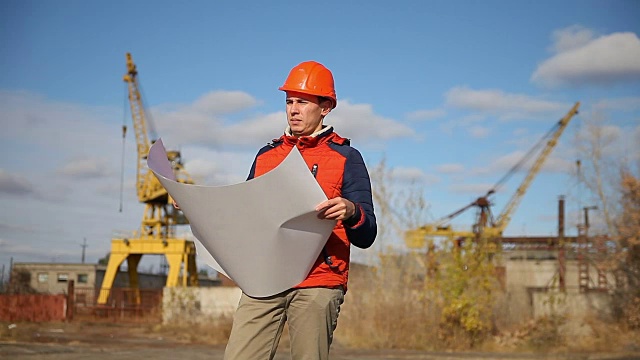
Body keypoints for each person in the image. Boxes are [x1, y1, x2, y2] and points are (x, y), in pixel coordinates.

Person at [223, 61, 377, 360]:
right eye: (289, 101)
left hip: (319, 281)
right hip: (265, 278)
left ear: (325, 107)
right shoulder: (266, 155)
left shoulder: (347, 157)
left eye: (303, 102)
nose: (293, 109)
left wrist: (351, 211)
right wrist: (196, 205)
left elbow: (367, 233)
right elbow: (247, 216)